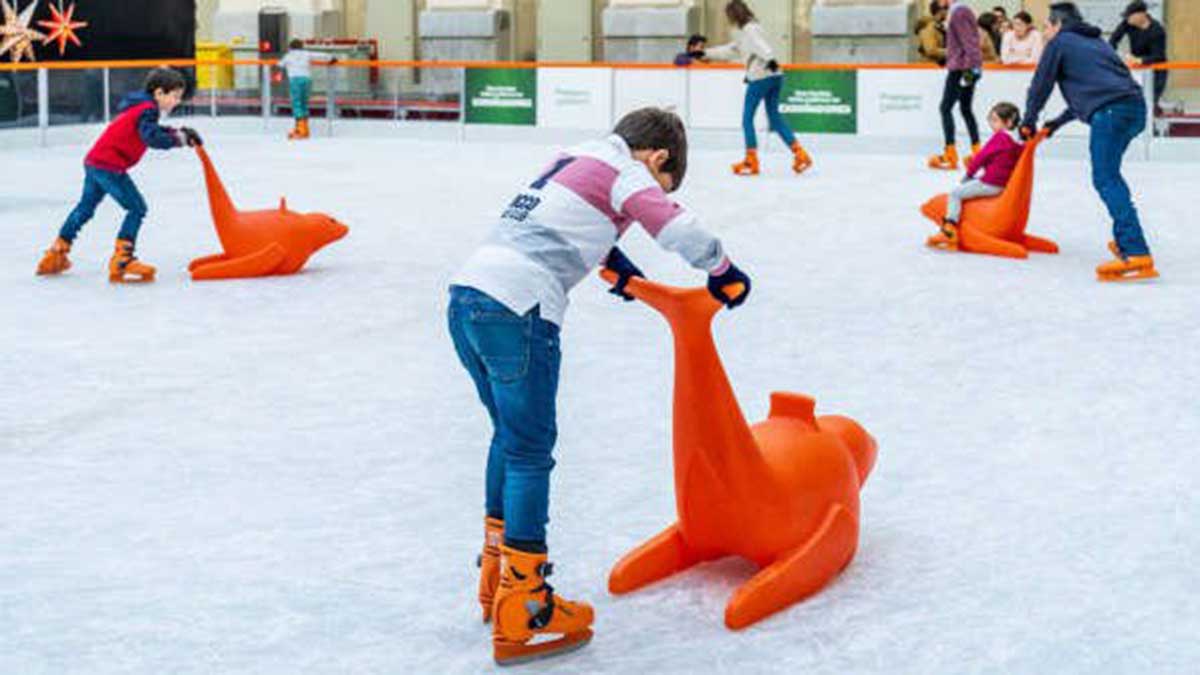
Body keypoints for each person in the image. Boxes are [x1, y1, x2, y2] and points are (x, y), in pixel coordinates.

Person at [448, 108, 751, 665]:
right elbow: (678, 229)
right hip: (519, 307)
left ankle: (496, 575)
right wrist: (724, 270)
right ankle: (527, 603)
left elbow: (569, 219)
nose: (651, 193)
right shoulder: (627, 172)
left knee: (508, 440)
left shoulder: (572, 157)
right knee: (531, 453)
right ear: (658, 158)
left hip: (467, 296)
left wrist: (616, 263)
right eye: (663, 179)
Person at [1021, 2, 1157, 281]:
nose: (1045, 32)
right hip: (1134, 109)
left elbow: (1041, 84)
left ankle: (1136, 250)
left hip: (1111, 112)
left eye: (1046, 26)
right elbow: (1097, 91)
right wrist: (1055, 123)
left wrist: (1028, 120)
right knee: (1110, 176)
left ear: (1058, 24)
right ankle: (1126, 241)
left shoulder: (1060, 42)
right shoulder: (1097, 43)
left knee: (1106, 178)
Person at [36, 68, 202, 283]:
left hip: (95, 161)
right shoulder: (148, 110)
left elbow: (151, 130)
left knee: (85, 209)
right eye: (175, 96)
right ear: (160, 93)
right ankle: (123, 259)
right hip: (109, 166)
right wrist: (178, 139)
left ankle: (56, 253)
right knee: (137, 208)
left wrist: (178, 133)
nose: (177, 102)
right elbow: (150, 136)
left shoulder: (141, 107)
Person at [703, 0, 812, 176]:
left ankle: (751, 160)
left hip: (762, 76)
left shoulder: (749, 30)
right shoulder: (752, 29)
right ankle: (800, 154)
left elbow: (761, 47)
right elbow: (731, 50)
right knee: (775, 119)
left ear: (734, 15)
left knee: (747, 119)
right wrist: (706, 54)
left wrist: (770, 59)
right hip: (775, 76)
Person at [930, 102, 1024, 249]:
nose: (991, 124)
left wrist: (968, 175)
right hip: (1004, 184)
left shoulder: (1000, 137)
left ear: (1008, 122)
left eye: (995, 120)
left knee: (955, 194)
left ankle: (949, 229)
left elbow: (981, 157)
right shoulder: (1018, 141)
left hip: (991, 184)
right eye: (990, 119)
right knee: (971, 185)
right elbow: (1002, 160)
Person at [929, 0, 983, 171]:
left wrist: (973, 69)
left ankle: (951, 153)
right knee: (965, 109)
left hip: (961, 69)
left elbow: (970, 43)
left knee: (946, 108)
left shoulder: (959, 12)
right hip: (965, 67)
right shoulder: (960, 11)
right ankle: (977, 152)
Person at [1109, 1, 1168, 110]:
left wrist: (1139, 60)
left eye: (1130, 16)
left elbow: (1158, 56)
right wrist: (1111, 55)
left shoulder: (1157, 31)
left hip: (1156, 69)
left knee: (1150, 101)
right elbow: (1114, 39)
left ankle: (1154, 115)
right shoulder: (1127, 24)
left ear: (1141, 15)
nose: (1127, 19)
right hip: (1137, 69)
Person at [277, 39, 336, 141]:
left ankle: (300, 129)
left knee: (296, 103)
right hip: (307, 80)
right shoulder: (306, 54)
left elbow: (279, 64)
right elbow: (320, 55)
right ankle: (305, 129)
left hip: (295, 80)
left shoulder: (288, 56)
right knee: (304, 103)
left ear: (290, 47)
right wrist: (331, 58)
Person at [916, 1, 949, 66]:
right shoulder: (929, 27)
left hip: (937, 67)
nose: (947, 12)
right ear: (940, 11)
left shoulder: (939, 26)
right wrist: (950, 51)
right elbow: (931, 50)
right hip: (929, 68)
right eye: (946, 9)